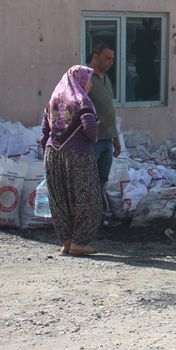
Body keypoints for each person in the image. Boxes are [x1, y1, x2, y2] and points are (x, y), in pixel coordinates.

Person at [40, 65, 102, 256]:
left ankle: (67, 241)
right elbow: (90, 128)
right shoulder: (82, 99)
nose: (90, 83)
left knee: (60, 198)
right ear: (81, 80)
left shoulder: (53, 99)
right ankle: (80, 243)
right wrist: (93, 140)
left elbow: (44, 131)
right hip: (78, 154)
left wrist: (48, 153)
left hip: (53, 153)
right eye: (89, 79)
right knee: (87, 198)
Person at [88, 43, 122, 227]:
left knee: (101, 180)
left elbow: (108, 111)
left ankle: (99, 217)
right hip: (91, 141)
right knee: (89, 180)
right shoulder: (86, 78)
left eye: (112, 59)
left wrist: (115, 138)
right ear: (95, 56)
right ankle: (89, 219)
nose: (111, 62)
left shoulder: (106, 78)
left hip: (107, 140)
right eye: (107, 58)